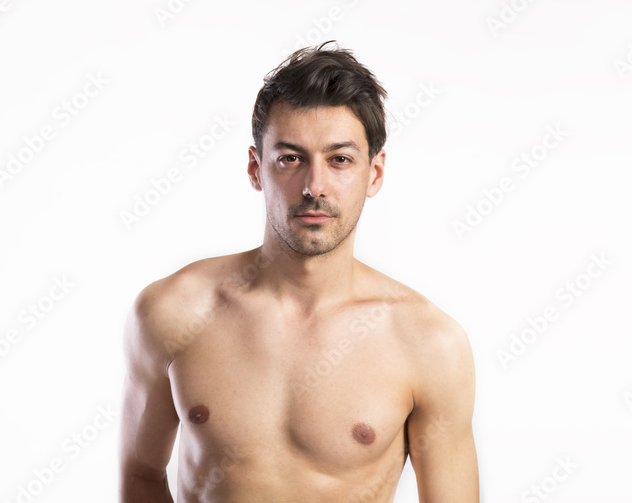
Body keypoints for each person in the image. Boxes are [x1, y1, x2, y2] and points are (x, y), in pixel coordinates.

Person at [119, 41, 479, 502]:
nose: (314, 186)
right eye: (291, 158)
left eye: (340, 160)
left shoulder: (428, 342)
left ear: (374, 173)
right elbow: (141, 477)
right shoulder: (173, 311)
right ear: (256, 168)